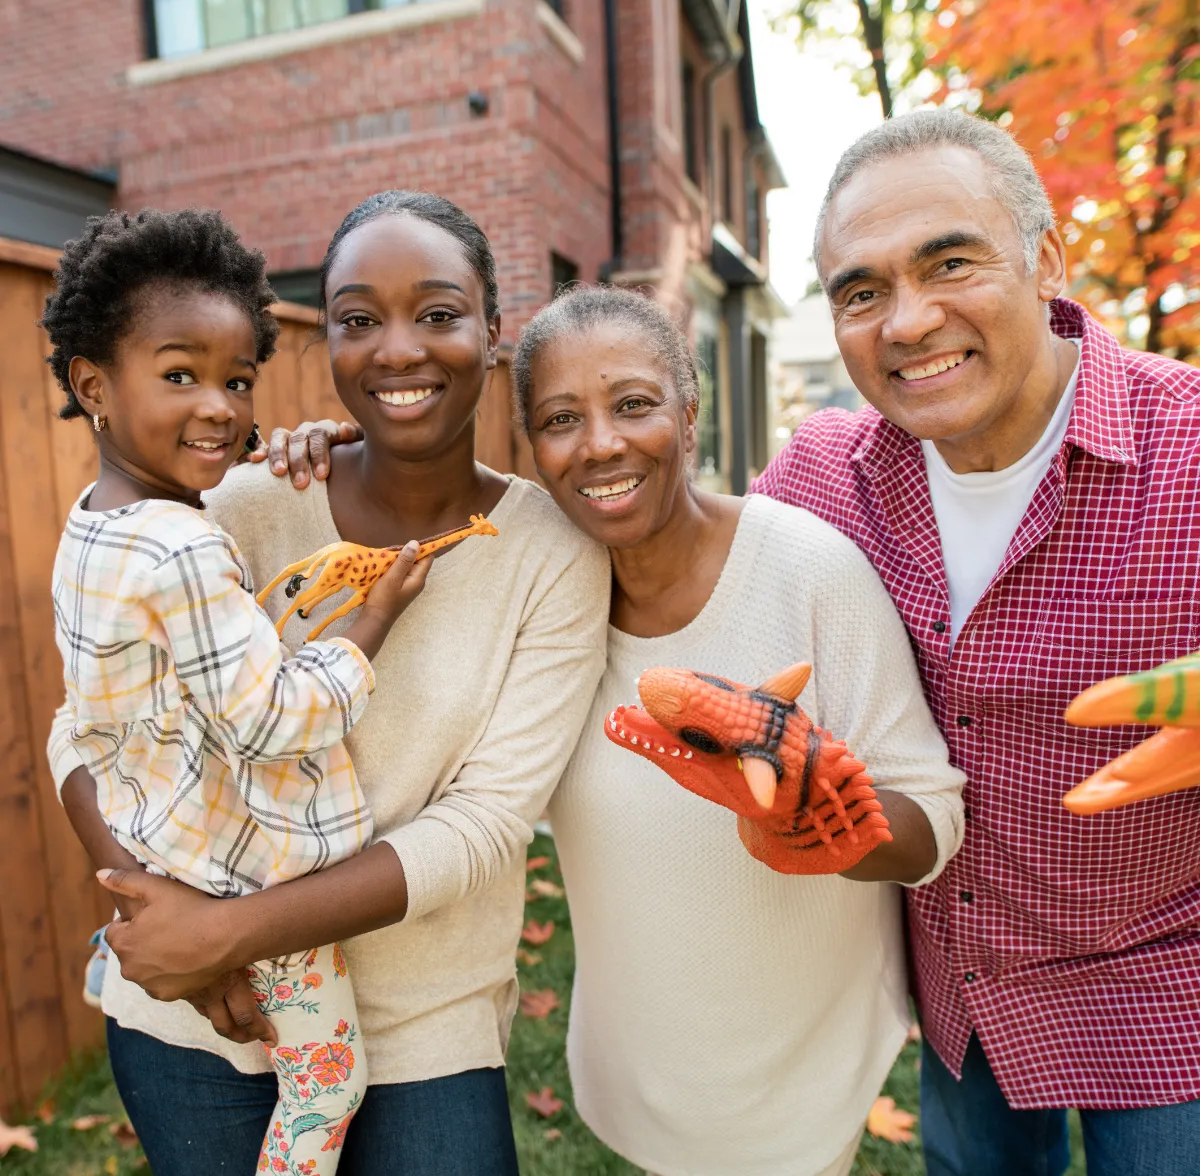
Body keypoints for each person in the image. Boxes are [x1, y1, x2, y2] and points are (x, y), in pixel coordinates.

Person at [255, 284, 967, 1175]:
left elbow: (932, 821)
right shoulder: (537, 590)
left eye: (634, 404)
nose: (601, 444)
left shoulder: (811, 570)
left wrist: (817, 815)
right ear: (532, 447)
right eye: (560, 419)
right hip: (635, 1069)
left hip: (797, 1069)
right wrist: (331, 449)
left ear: (689, 405)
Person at [50, 191, 609, 1176]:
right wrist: (158, 918)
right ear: (332, 345)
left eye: (438, 314)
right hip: (194, 1019)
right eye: (358, 319)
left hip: (421, 1023)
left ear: (490, 335)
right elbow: (88, 722)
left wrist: (226, 932)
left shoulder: (550, 554)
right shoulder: (228, 501)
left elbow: (482, 826)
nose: (397, 349)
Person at [752, 109, 1200, 1175]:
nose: (907, 321)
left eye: (950, 262)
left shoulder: (1189, 444)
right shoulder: (826, 473)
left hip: (1165, 989)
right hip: (962, 997)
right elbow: (661, 549)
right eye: (861, 291)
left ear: (1045, 260)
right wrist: (368, 467)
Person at [45, 207, 432, 1174]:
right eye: (180, 375)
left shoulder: (96, 523)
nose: (218, 405)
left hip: (154, 837)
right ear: (93, 384)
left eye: (236, 379)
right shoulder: (182, 546)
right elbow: (268, 722)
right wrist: (371, 623)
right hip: (246, 873)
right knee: (325, 1084)